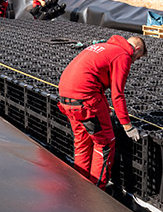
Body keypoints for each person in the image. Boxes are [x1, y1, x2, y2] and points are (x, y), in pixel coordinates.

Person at [57, 35, 147, 190]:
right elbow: (117, 94)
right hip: (85, 98)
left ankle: (80, 187)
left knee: (82, 141)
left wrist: (106, 110)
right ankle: (96, 194)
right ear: (136, 49)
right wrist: (127, 125)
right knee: (105, 143)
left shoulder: (105, 47)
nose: (134, 62)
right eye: (137, 58)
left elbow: (97, 83)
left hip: (66, 96)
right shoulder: (123, 55)